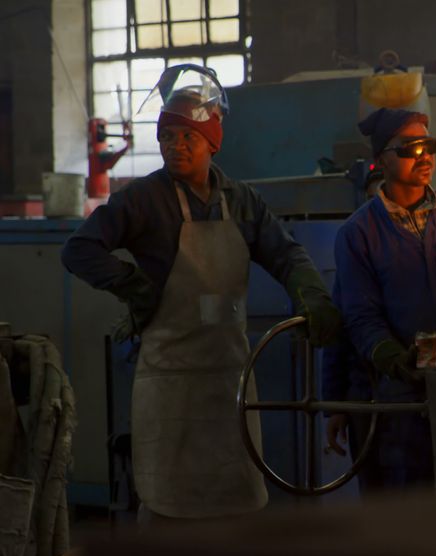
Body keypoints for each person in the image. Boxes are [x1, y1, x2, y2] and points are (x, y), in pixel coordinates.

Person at [61, 64, 342, 521]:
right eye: (167, 137)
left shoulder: (242, 200)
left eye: (187, 137)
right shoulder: (142, 200)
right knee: (166, 508)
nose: (175, 147)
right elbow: (79, 249)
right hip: (169, 381)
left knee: (237, 510)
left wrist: (311, 295)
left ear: (212, 141)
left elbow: (286, 255)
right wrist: (132, 285)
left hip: (230, 381)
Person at [327, 107, 436, 488]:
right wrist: (392, 358)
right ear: (380, 160)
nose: (425, 156)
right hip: (394, 398)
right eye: (409, 147)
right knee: (402, 512)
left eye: (429, 145)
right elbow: (358, 315)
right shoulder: (359, 233)